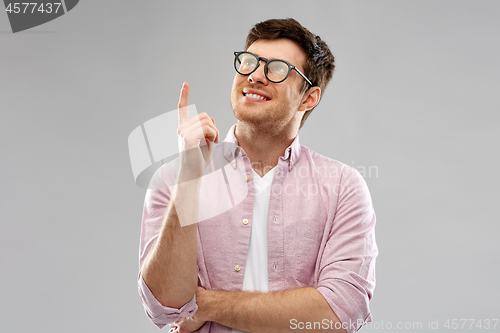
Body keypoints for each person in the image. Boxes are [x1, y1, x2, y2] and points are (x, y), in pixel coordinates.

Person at [138, 18, 377, 333]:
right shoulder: (174, 179)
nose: (254, 75)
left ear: (309, 97)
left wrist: (207, 305)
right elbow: (164, 306)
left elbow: (340, 312)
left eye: (276, 68)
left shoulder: (343, 187)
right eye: (248, 62)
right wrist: (190, 176)